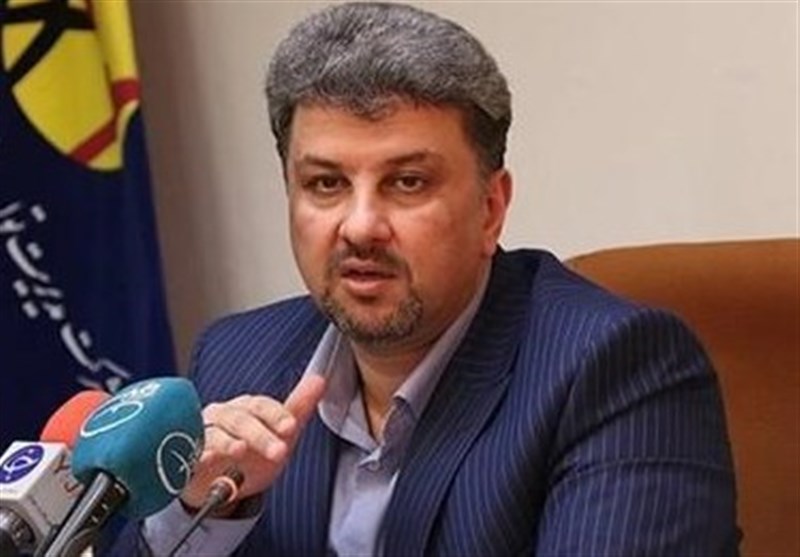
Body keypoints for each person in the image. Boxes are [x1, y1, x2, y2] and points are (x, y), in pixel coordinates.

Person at [113, 2, 739, 555]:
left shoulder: (613, 368)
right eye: (326, 184)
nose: (360, 226)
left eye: (407, 183)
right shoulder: (236, 358)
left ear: (490, 208)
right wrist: (197, 515)